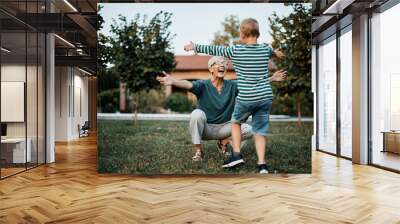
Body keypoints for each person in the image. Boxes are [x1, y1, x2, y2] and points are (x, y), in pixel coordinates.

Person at [184, 18, 285, 173]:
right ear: (258, 34)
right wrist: (276, 53)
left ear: (242, 34)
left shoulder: (236, 50)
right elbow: (270, 51)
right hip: (265, 97)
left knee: (235, 122)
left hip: (247, 98)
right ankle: (262, 165)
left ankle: (236, 155)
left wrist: (195, 46)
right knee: (259, 131)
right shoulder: (265, 50)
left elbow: (215, 50)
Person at [157, 56, 286, 162]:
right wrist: (173, 81)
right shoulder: (203, 85)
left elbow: (252, 84)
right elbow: (188, 84)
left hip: (225, 127)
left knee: (249, 130)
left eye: (224, 63)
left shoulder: (232, 85)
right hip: (206, 128)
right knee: (196, 114)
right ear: (211, 69)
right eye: (218, 63)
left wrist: (272, 79)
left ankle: (223, 143)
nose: (222, 65)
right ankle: (198, 151)